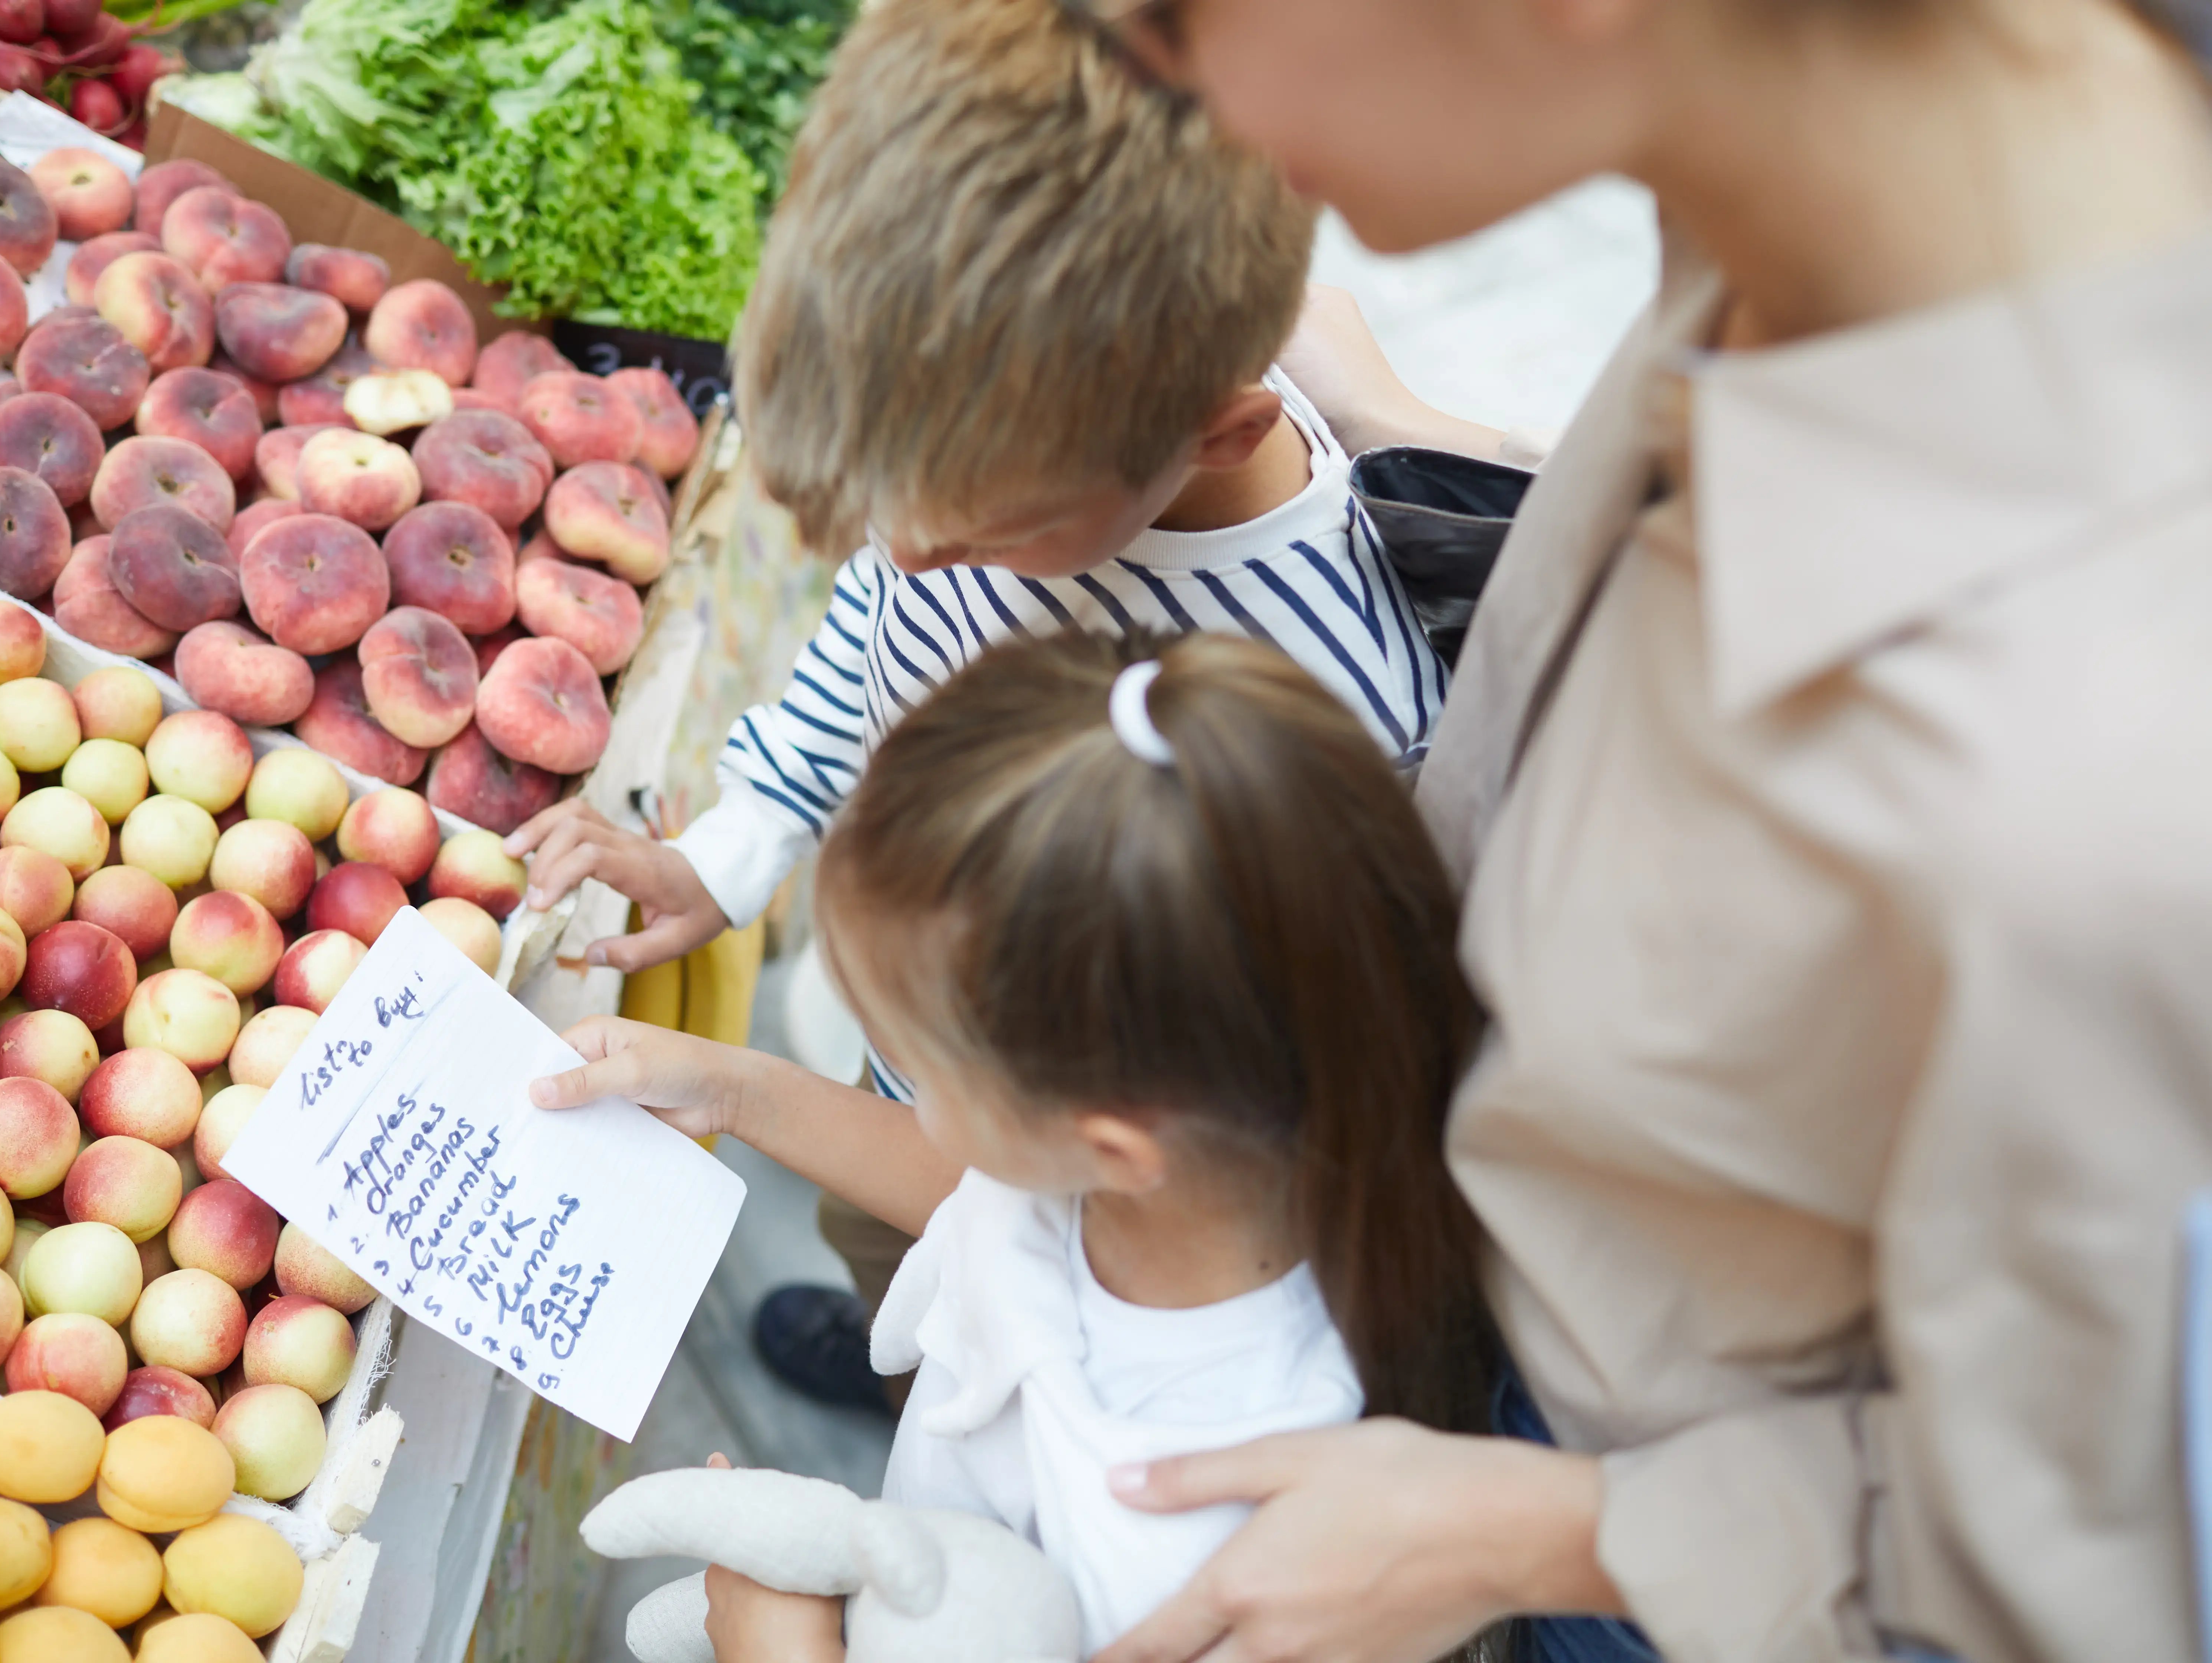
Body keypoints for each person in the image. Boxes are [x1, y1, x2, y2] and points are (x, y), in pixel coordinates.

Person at [1040, 3, 2212, 1662]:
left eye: (1159, 21)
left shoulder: (2117, 773)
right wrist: (1432, 446)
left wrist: (1545, 1536)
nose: (1133, 85)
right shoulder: (1835, 176)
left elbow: (2103, 1549)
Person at [506, 0, 1445, 1414]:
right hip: (924, 1080)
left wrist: (776, 1104)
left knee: (962, 1358)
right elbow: (881, 631)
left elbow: (1144, 1175)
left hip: (1073, 1219)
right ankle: (893, 1320)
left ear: (1222, 433)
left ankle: (927, 1392)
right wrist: (742, 840)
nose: (910, 547)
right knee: (891, 1254)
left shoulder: (1334, 708)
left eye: (975, 535)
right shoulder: (989, 455)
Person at [536, 631, 1502, 1659]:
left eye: (920, 1062)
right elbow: (979, 1200)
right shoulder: (1199, 1167)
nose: (898, 1073)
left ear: (1107, 1145)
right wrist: (734, 1088)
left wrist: (783, 1650)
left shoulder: (1193, 1539)